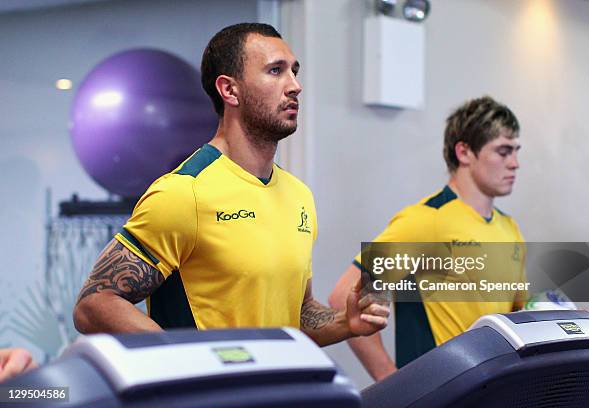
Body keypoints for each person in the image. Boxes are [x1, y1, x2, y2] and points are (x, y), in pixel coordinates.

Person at [73, 23, 389, 347]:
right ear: (230, 90)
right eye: (275, 71)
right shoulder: (184, 194)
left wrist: (345, 323)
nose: (295, 85)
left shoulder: (299, 196)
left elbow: (298, 314)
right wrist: (185, 359)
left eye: (294, 71)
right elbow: (94, 304)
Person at [329, 96, 525, 380]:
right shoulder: (426, 221)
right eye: (503, 151)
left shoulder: (510, 229)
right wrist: (391, 382)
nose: (515, 163)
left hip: (495, 390)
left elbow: (518, 314)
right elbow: (343, 297)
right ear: (464, 152)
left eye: (516, 151)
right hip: (442, 392)